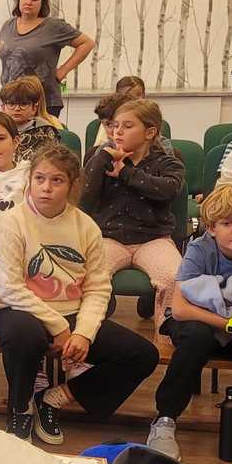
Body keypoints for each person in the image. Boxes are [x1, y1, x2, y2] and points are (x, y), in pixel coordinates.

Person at [0, 144, 159, 443]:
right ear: (30, 180)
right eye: (40, 178)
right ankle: (20, 408)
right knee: (24, 336)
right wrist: (59, 328)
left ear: (71, 185)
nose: (46, 187)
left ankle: (54, 398)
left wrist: (83, 333)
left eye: (57, 180)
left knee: (143, 354)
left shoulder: (86, 226)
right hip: (19, 310)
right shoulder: (12, 222)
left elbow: (97, 287)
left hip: (71, 312)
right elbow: (10, 288)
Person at [147, 184, 232, 460]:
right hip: (199, 322)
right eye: (227, 223)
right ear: (211, 228)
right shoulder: (200, 249)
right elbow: (180, 309)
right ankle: (165, 420)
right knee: (197, 337)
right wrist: (231, 324)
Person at [81, 99, 184, 329]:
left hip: (153, 239)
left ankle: (166, 339)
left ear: (150, 132)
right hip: (108, 238)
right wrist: (101, 159)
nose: (118, 131)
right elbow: (83, 197)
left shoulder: (169, 162)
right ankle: (88, 334)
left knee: (173, 277)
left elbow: (167, 190)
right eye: (115, 125)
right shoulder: (101, 158)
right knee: (90, 276)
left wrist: (126, 173)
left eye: (127, 126)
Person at [0, 0, 96, 116]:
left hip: (44, 101)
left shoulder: (53, 26)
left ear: (42, 3)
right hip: (11, 101)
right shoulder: (7, 25)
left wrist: (63, 70)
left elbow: (87, 43)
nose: (29, 2)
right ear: (19, 0)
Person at [0, 75, 61, 163]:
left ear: (34, 108)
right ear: (3, 108)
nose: (17, 108)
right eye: (11, 104)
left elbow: (52, 163)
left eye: (23, 104)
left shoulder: (45, 131)